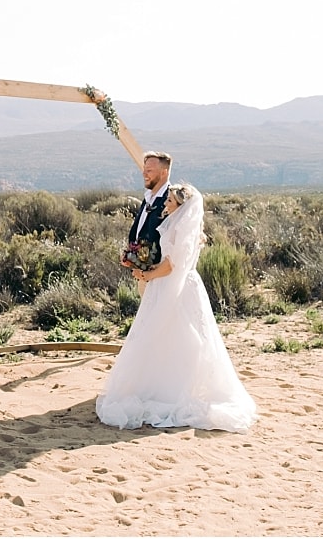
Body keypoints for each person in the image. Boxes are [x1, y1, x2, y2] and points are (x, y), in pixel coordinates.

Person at [96, 182, 257, 432]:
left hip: (172, 284)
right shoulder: (185, 227)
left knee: (168, 332)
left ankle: (169, 389)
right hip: (182, 284)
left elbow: (172, 264)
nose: (167, 205)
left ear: (182, 206)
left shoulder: (179, 227)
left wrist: (148, 275)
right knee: (178, 334)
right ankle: (169, 383)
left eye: (171, 201)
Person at [122, 151, 172, 272]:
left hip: (159, 275)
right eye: (144, 170)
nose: (144, 174)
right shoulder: (148, 197)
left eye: (149, 170)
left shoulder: (170, 201)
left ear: (164, 172)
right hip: (142, 273)